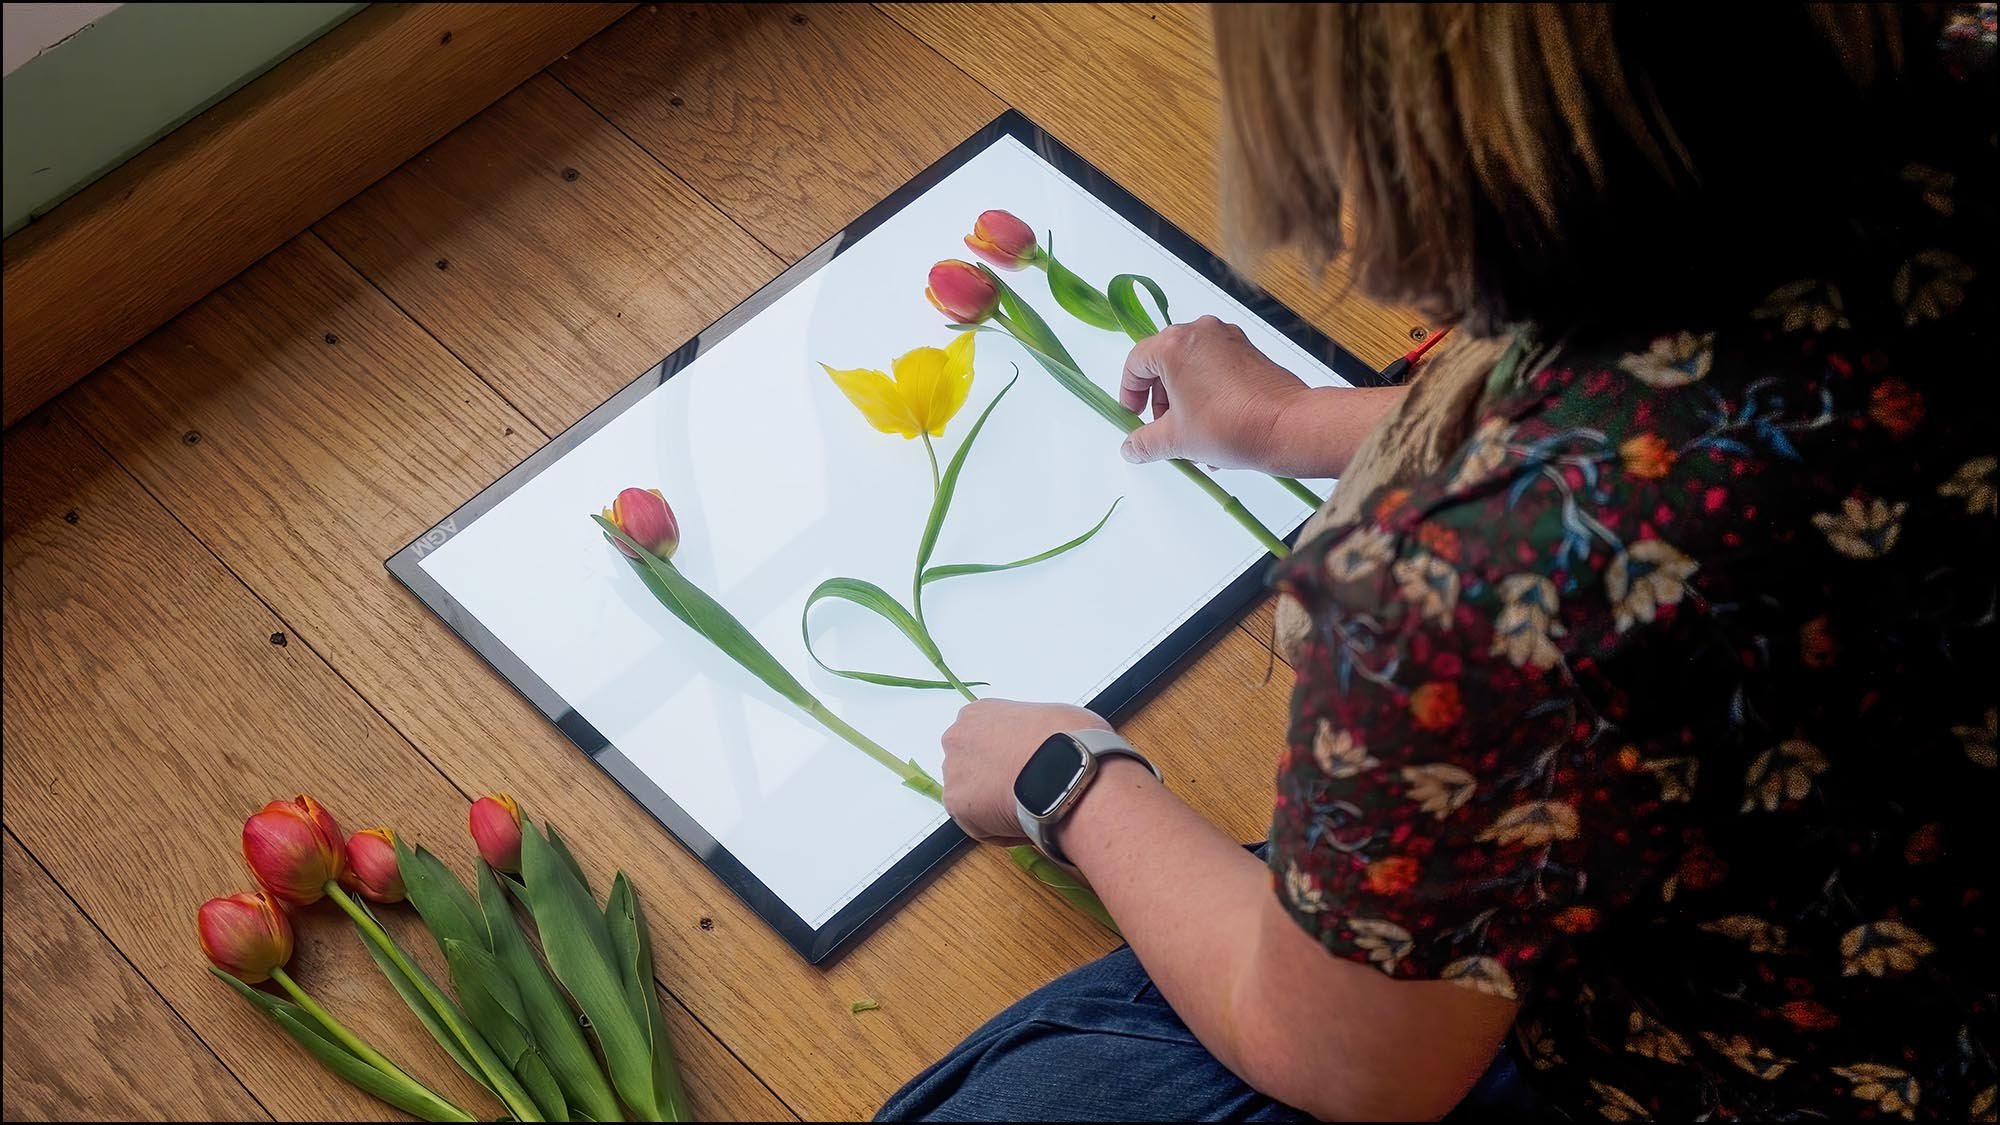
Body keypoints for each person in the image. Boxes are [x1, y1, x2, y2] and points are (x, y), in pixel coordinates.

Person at [880, 4, 1997, 1122]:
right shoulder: (1950, 62)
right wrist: (1304, 424)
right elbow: (1720, 407)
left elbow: (1348, 1069)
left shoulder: (1474, 590)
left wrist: (1069, 782)